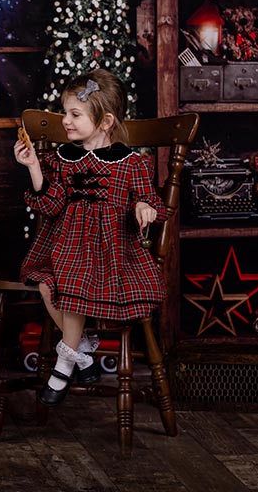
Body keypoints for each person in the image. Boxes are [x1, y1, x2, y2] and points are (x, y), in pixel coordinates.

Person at [13, 69, 166, 405]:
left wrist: (143, 206)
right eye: (65, 112)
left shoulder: (131, 164)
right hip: (67, 245)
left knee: (73, 283)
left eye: (74, 114)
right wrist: (34, 167)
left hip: (112, 253)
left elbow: (148, 198)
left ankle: (64, 364)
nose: (65, 121)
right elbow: (51, 205)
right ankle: (81, 351)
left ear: (105, 121)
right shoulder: (64, 160)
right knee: (45, 282)